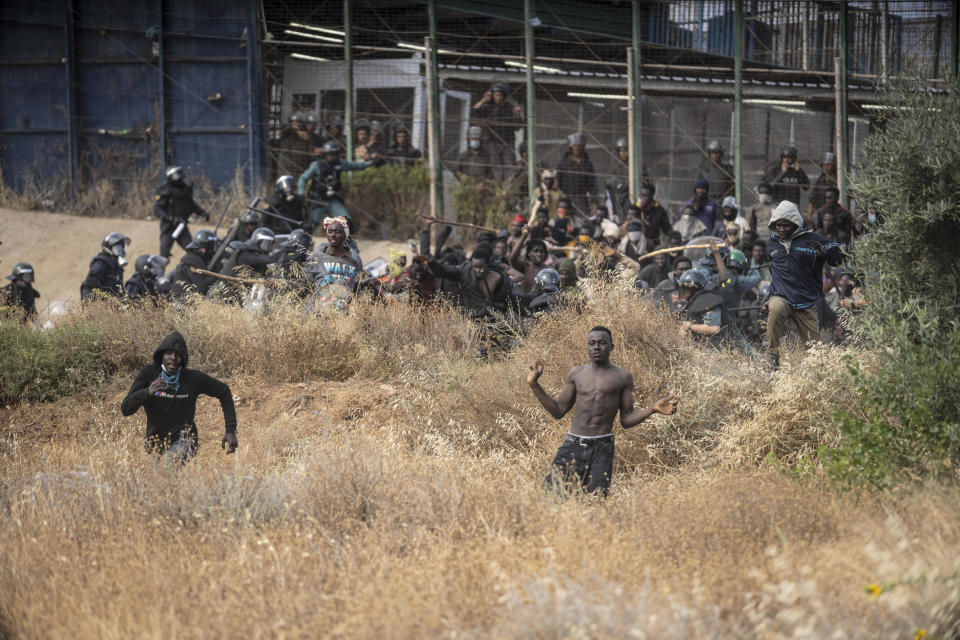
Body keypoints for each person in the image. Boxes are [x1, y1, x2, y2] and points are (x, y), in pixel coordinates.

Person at [528, 327, 678, 497]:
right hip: (572, 445)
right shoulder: (577, 374)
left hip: (602, 448)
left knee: (596, 501)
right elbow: (558, 410)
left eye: (602, 343)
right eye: (592, 343)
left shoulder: (622, 377)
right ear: (587, 347)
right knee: (551, 496)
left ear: (612, 346)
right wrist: (534, 384)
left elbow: (626, 419)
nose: (597, 347)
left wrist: (652, 409)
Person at [121, 331, 237, 464]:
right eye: (168, 353)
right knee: (159, 482)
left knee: (167, 469)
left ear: (184, 358)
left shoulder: (193, 378)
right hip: (155, 443)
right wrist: (147, 392)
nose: (173, 358)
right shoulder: (149, 374)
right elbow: (125, 409)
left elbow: (224, 391)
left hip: (185, 440)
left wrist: (230, 430)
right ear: (161, 355)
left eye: (178, 354)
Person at [765, 200, 844, 368]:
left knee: (815, 354)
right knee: (776, 308)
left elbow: (838, 258)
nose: (781, 229)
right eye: (778, 225)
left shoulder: (813, 239)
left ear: (795, 223)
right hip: (782, 297)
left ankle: (815, 375)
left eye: (786, 225)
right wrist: (769, 294)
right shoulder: (771, 243)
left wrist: (825, 251)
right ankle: (772, 356)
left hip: (807, 301)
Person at [298, 141, 386, 233]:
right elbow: (303, 178)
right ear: (325, 154)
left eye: (335, 154)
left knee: (346, 223)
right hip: (318, 200)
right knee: (310, 226)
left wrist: (372, 163)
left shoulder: (339, 164)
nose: (333, 156)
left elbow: (356, 166)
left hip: (332, 200)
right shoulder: (316, 165)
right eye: (330, 154)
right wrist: (301, 192)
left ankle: (346, 245)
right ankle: (303, 244)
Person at [427, 243, 510, 320]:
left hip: (495, 317)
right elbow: (444, 271)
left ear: (487, 264)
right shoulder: (465, 271)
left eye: (481, 267)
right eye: (475, 267)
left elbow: (505, 299)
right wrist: (431, 263)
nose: (477, 270)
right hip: (472, 317)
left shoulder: (498, 276)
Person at [305, 217, 365, 307]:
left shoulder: (355, 260)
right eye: (330, 232)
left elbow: (357, 289)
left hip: (343, 316)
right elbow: (303, 285)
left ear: (345, 235)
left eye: (338, 232)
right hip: (317, 315)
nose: (333, 235)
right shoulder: (316, 257)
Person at [154, 166, 210, 259]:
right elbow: (157, 209)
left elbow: (191, 204)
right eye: (176, 175)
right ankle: (159, 273)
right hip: (168, 227)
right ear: (170, 177)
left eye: (179, 174)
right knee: (164, 254)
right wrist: (170, 218)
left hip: (182, 226)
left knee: (192, 250)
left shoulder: (185, 188)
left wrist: (202, 212)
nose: (179, 177)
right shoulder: (165, 190)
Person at [471, 82, 522, 181]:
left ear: (504, 96)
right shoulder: (488, 107)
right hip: (493, 141)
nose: (498, 97)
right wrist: (483, 100)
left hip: (507, 141)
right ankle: (498, 185)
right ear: (493, 95)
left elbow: (517, 127)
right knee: (495, 165)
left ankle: (508, 186)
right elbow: (474, 112)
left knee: (509, 164)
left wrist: (517, 115)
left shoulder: (509, 108)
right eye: (496, 95)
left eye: (500, 95)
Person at [676, 268, 733, 347]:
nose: (681, 292)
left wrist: (689, 326)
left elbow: (714, 329)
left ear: (691, 288)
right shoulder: (694, 302)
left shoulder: (708, 301)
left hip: (728, 349)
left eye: (684, 289)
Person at [556, 133, 597, 220]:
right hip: (567, 197)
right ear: (571, 147)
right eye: (575, 146)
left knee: (582, 219)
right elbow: (559, 181)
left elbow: (592, 183)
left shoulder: (587, 163)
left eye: (580, 146)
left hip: (582, 198)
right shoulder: (563, 163)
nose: (577, 148)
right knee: (565, 219)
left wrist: (593, 200)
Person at [168, 230, 220, 298]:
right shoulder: (192, 260)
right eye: (212, 246)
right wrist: (217, 274)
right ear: (204, 248)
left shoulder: (196, 258)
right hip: (183, 302)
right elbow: (201, 286)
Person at [81, 232, 130, 300]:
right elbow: (88, 286)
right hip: (101, 304)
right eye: (117, 248)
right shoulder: (101, 263)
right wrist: (89, 305)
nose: (120, 251)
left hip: (113, 305)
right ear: (108, 248)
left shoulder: (116, 265)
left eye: (121, 248)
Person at [632, 184, 673, 248]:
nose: (643, 198)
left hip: (653, 243)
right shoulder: (635, 209)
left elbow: (667, 228)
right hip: (636, 243)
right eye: (642, 195)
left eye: (646, 196)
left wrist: (674, 236)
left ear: (652, 195)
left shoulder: (659, 210)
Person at [277, 111, 316, 178]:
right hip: (286, 170)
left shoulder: (306, 137)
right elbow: (284, 128)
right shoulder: (286, 134)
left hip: (300, 171)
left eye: (299, 123)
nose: (297, 125)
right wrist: (297, 132)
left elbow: (311, 153)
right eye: (294, 123)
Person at [807, 151, 838, 218]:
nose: (825, 167)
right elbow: (812, 201)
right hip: (821, 214)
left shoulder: (838, 181)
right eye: (823, 165)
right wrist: (809, 218)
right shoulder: (819, 182)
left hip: (835, 214)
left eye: (828, 165)